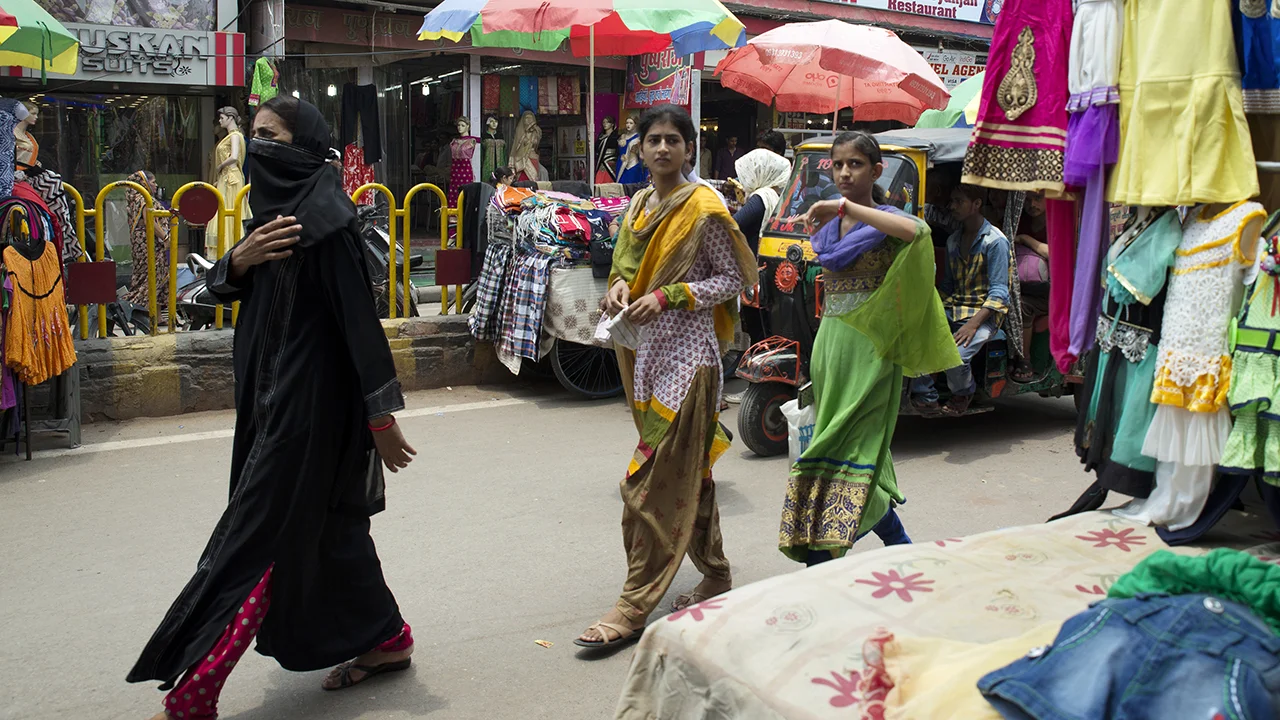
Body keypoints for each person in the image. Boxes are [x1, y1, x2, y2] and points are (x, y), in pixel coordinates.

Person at [130, 96, 419, 720]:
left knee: (260, 539)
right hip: (264, 407)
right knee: (333, 531)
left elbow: (360, 328)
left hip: (309, 413)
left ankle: (196, 690)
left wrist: (382, 420)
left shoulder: (330, 224)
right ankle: (388, 638)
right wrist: (239, 259)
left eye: (272, 136)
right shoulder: (270, 218)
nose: (259, 147)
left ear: (306, 148)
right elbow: (209, 292)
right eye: (253, 135)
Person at [575, 104, 758, 650]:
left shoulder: (704, 206)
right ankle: (717, 572)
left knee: (645, 484)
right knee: (690, 479)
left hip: (690, 362)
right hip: (645, 359)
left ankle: (634, 603)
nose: (661, 149)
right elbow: (625, 267)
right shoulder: (638, 205)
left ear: (688, 149)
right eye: (653, 139)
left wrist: (669, 294)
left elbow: (734, 279)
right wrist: (620, 288)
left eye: (672, 140)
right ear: (640, 147)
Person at [778, 132, 958, 566]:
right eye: (838, 164)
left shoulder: (884, 219)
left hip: (873, 350)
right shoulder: (824, 227)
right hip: (832, 346)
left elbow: (919, 231)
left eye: (855, 164)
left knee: (845, 446)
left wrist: (845, 207)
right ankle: (900, 547)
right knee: (843, 445)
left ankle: (823, 554)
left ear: (876, 171)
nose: (844, 173)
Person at [910, 184, 1013, 416]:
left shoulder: (995, 241)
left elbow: (998, 293)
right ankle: (926, 395)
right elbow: (948, 285)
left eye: (958, 201)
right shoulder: (953, 241)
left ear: (976, 204)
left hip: (983, 316)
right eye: (952, 201)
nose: (952, 207)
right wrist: (928, 309)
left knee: (956, 357)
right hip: (954, 307)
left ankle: (964, 392)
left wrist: (973, 324)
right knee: (915, 334)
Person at [729, 148, 792, 375]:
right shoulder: (775, 196)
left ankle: (756, 382)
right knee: (765, 328)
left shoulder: (760, 198)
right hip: (767, 271)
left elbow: (732, 225)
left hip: (757, 274)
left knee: (757, 329)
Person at [122, 170, 172, 323]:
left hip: (148, 243)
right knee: (150, 278)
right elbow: (150, 220)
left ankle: (156, 317)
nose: (156, 185)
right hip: (148, 243)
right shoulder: (142, 198)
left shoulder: (139, 197)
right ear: (144, 182)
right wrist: (164, 237)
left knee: (158, 278)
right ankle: (124, 308)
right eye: (153, 182)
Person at [1011, 192, 1049, 382]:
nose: (1032, 204)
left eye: (1037, 198)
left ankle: (1024, 360)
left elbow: (1051, 252)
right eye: (1027, 200)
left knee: (1022, 306)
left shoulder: (1055, 222)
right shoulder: (1020, 219)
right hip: (1019, 283)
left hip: (1049, 292)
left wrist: (1025, 239)